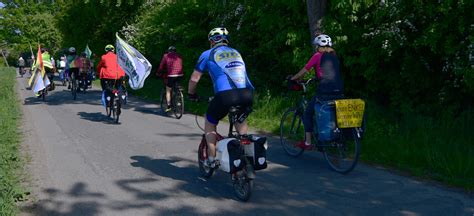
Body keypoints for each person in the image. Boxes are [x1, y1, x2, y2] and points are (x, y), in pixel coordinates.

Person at [187, 27, 254, 167]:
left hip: (225, 96)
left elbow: (194, 79)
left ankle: (211, 160)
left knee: (210, 122)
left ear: (211, 41)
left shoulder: (207, 54)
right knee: (240, 118)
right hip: (247, 93)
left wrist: (191, 94)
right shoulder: (236, 52)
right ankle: (245, 153)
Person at [289, 34, 344, 150]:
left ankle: (308, 142)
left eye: (316, 46)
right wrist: (316, 78)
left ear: (320, 46)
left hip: (325, 91)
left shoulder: (318, 56)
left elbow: (305, 70)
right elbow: (328, 73)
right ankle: (334, 139)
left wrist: (293, 78)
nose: (316, 48)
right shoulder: (334, 56)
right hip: (339, 91)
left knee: (308, 113)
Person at [96, 44, 126, 111]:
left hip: (108, 77)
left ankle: (109, 102)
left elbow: (99, 67)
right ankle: (118, 101)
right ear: (113, 50)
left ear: (106, 50)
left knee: (106, 89)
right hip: (120, 76)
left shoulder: (104, 57)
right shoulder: (118, 57)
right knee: (119, 87)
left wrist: (98, 72)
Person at [157, 46, 184, 112]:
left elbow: (161, 66)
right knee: (176, 87)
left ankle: (169, 106)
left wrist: (158, 72)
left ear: (168, 51)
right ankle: (178, 99)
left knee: (168, 90)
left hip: (172, 75)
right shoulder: (179, 56)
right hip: (180, 74)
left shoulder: (166, 56)